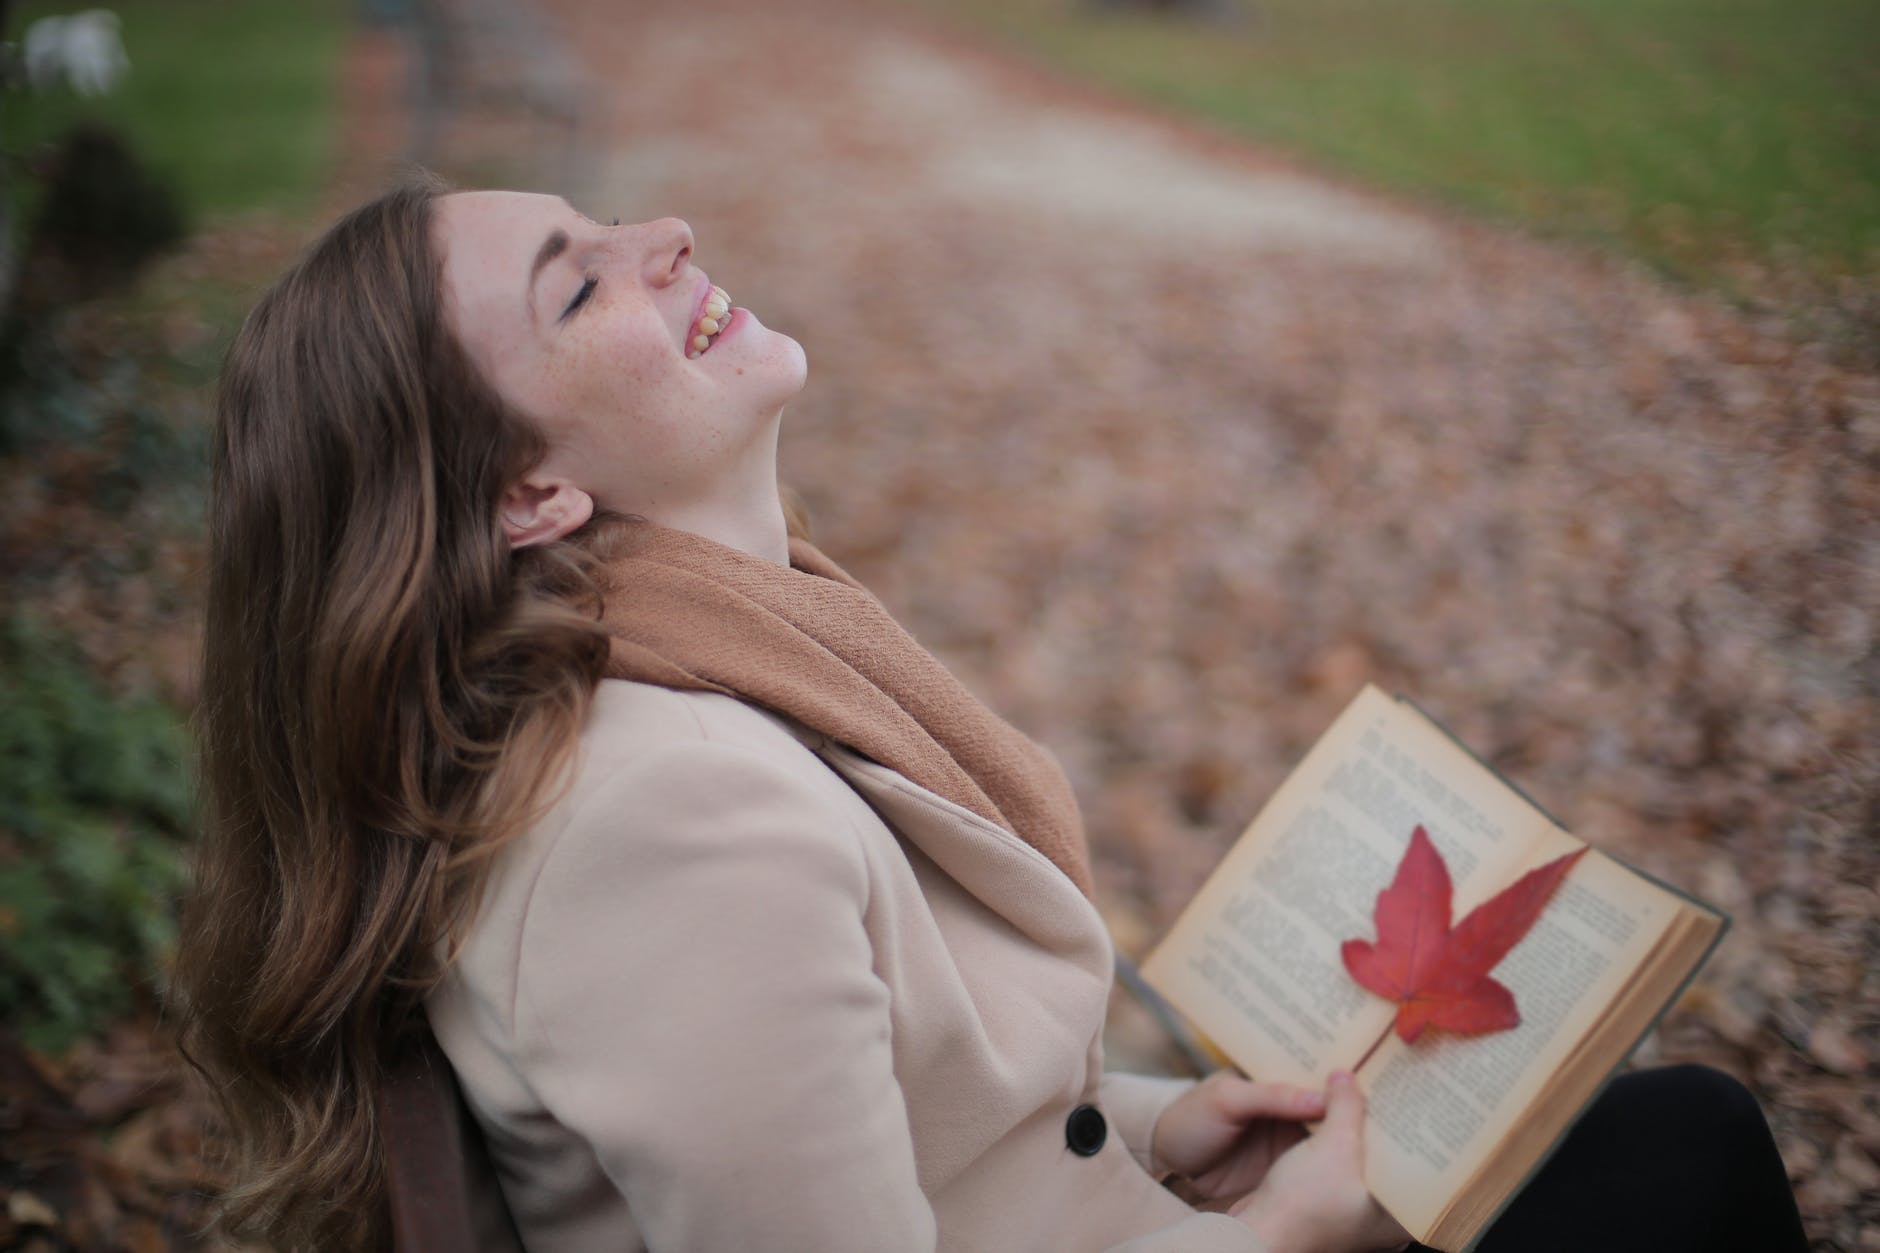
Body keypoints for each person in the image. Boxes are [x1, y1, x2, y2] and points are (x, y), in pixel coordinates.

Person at [172, 177, 1809, 1253]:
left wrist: (1173, 1125)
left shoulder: (713, 658)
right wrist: (1285, 1236)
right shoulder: (660, 823)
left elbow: (886, 1127)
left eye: (605, 223)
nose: (659, 232)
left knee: (1668, 1140)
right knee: (1694, 1158)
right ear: (531, 489)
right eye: (577, 283)